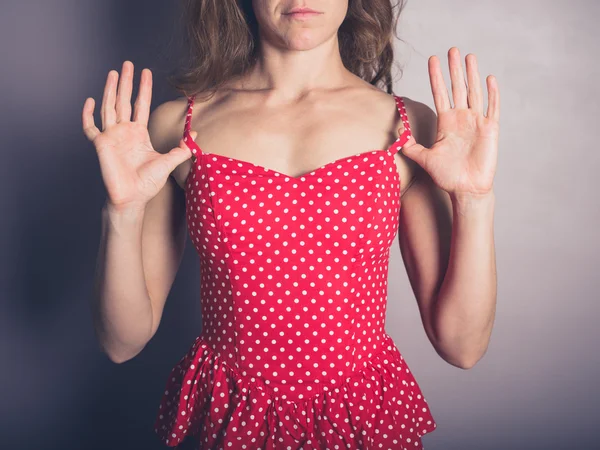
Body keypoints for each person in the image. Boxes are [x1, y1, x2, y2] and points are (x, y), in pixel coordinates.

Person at [82, 0, 499, 448]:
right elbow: (121, 342)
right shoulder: (176, 128)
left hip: (362, 424)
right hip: (235, 424)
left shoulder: (410, 127)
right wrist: (121, 212)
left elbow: (462, 345)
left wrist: (474, 201)